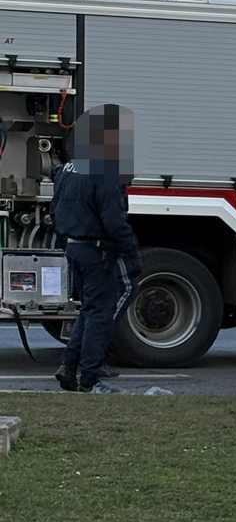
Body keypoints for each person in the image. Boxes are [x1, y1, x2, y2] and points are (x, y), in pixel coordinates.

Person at [51, 105, 142, 392]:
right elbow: (114, 221)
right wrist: (130, 251)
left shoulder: (68, 169)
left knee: (89, 310)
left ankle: (69, 367)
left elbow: (56, 211)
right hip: (97, 251)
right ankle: (89, 377)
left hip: (74, 247)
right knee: (101, 313)